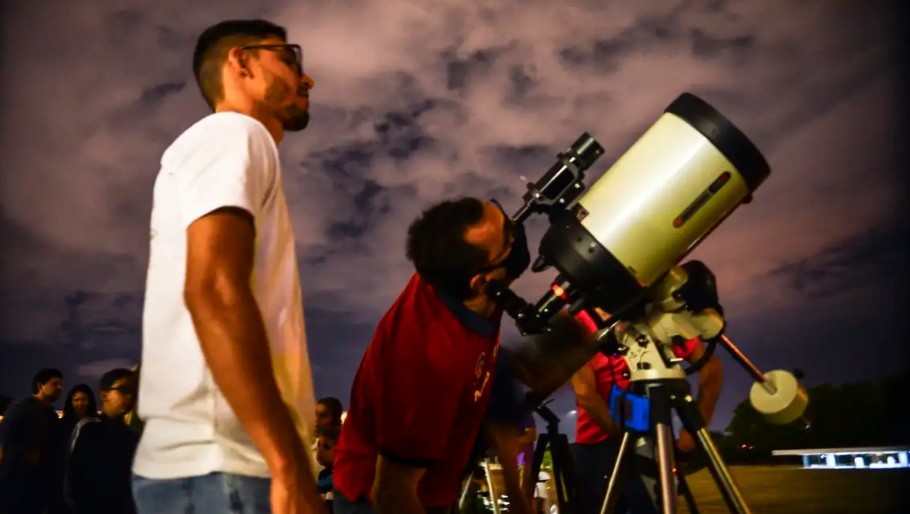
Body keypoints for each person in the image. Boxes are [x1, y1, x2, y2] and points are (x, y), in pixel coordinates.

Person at [131, 18, 325, 514]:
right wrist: (286, 464)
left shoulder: (227, 144)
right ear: (240, 61)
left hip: (215, 469)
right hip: (229, 469)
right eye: (289, 59)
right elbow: (213, 290)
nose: (307, 79)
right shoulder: (234, 133)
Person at [332, 196, 532, 514]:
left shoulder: (457, 281)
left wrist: (514, 487)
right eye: (508, 238)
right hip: (379, 499)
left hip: (433, 485)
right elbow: (391, 494)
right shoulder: (426, 366)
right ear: (482, 282)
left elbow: (485, 384)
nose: (516, 229)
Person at [570, 336, 723, 514]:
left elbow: (710, 364)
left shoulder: (656, 322)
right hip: (598, 443)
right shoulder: (582, 326)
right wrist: (627, 438)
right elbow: (585, 394)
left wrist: (697, 422)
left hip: (648, 437)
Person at [66, 368, 139, 514]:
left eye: (133, 391)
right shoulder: (87, 428)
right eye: (123, 390)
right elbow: (71, 475)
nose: (130, 396)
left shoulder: (131, 435)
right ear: (105, 395)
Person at [0, 368, 64, 514]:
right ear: (40, 386)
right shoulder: (23, 406)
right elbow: (5, 436)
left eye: (61, 384)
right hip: (17, 482)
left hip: (39, 484)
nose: (59, 388)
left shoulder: (51, 414)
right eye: (55, 383)